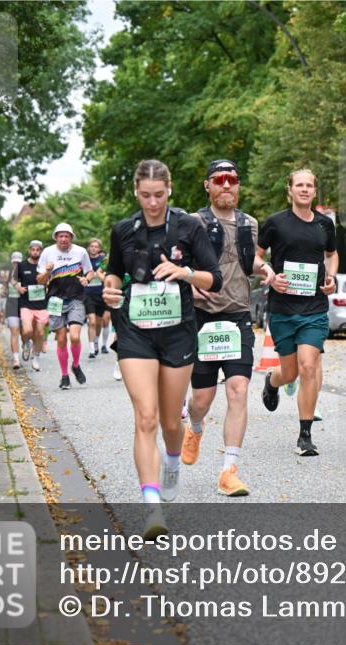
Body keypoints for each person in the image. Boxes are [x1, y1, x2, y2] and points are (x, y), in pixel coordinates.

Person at [103, 159, 222, 538]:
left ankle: (172, 460)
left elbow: (214, 279)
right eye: (144, 195)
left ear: (169, 189)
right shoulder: (123, 230)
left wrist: (185, 273)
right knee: (146, 417)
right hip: (135, 331)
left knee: (172, 421)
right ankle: (151, 507)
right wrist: (110, 288)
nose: (152, 203)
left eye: (158, 195)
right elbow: (113, 271)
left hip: (177, 332)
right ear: (135, 192)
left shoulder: (189, 226)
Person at [183, 159, 271, 496]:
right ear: (208, 185)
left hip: (237, 316)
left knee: (237, 390)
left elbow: (246, 260)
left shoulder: (250, 223)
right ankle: (194, 426)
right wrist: (188, 284)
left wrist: (266, 269)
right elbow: (179, 263)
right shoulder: (193, 222)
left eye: (232, 179)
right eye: (219, 179)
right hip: (203, 317)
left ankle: (229, 471)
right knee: (202, 400)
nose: (226, 185)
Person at [257, 169, 338, 456]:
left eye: (309, 185)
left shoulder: (324, 224)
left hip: (314, 308)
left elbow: (331, 254)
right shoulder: (275, 223)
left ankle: (305, 435)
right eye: (299, 185)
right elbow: (256, 257)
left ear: (315, 191)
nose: (304, 189)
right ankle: (272, 381)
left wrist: (331, 278)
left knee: (308, 365)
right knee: (289, 372)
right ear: (290, 190)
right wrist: (269, 275)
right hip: (283, 308)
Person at [37, 222, 94, 390]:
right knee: (61, 339)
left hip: (76, 299)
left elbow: (90, 271)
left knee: (75, 337)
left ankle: (75, 365)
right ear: (55, 237)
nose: (63, 239)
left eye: (66, 236)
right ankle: (64, 376)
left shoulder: (81, 252)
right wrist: (47, 272)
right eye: (60, 236)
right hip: (55, 301)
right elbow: (39, 280)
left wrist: (87, 279)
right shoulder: (47, 252)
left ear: (71, 238)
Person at [15, 240, 49, 371]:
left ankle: (36, 358)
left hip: (41, 304)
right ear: (29, 250)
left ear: (41, 251)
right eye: (33, 249)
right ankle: (25, 343)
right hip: (26, 303)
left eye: (38, 250)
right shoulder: (22, 265)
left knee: (39, 333)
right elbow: (13, 279)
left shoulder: (45, 266)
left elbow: (51, 280)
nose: (35, 252)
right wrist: (18, 286)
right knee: (28, 330)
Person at [83, 238, 112, 358]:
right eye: (92, 246)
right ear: (89, 247)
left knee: (100, 322)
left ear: (99, 249)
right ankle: (91, 349)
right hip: (88, 294)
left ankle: (97, 343)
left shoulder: (103, 260)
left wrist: (99, 275)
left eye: (96, 246)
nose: (93, 248)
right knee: (92, 321)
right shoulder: (84, 260)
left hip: (101, 294)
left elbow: (108, 275)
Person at [6, 252, 24, 368]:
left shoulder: (26, 273)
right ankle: (16, 359)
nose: (16, 263)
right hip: (12, 303)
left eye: (18, 261)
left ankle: (27, 344)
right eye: (14, 261)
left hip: (24, 304)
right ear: (12, 262)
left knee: (25, 332)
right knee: (14, 331)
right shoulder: (9, 274)